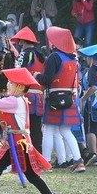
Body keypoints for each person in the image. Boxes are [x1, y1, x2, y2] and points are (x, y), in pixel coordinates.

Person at [34, 26, 85, 173]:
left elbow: (46, 79)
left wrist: (37, 75)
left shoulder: (54, 57)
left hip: (54, 98)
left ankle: (46, 162)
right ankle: (78, 161)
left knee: (49, 130)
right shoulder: (74, 59)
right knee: (66, 131)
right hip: (69, 98)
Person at [11, 27, 45, 152]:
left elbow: (17, 73)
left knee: (24, 128)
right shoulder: (40, 55)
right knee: (37, 130)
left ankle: (28, 155)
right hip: (39, 96)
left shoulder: (26, 54)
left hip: (27, 96)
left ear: (22, 42)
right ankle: (38, 154)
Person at [77, 44, 97, 166]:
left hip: (92, 104)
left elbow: (93, 87)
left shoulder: (92, 70)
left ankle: (93, 155)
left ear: (92, 58)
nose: (85, 59)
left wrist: (83, 99)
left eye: (87, 57)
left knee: (90, 130)